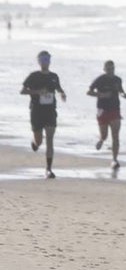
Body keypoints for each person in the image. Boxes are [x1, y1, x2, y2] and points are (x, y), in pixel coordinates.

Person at [20, 50, 67, 178]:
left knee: (50, 140)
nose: (45, 62)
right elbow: (23, 91)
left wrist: (62, 94)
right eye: (43, 59)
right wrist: (37, 92)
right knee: (39, 140)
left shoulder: (54, 76)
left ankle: (49, 169)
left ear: (50, 61)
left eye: (47, 59)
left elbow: (59, 88)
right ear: (39, 61)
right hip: (36, 111)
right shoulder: (33, 76)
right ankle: (35, 143)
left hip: (50, 111)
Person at [87, 60, 126, 169]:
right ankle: (101, 139)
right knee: (104, 135)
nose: (110, 71)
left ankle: (114, 160)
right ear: (104, 69)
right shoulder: (100, 79)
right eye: (108, 69)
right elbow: (89, 92)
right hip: (102, 110)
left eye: (112, 69)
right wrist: (101, 94)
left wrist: (123, 94)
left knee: (115, 136)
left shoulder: (117, 80)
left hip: (115, 110)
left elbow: (120, 90)